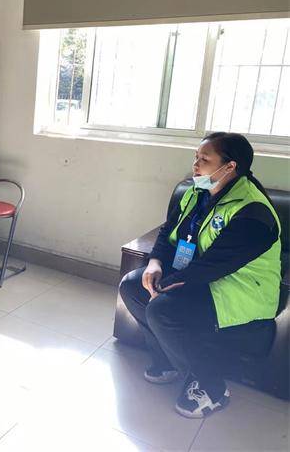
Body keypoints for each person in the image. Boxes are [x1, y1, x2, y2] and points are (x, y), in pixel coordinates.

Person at [119, 132, 281, 419]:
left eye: (204, 159)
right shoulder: (198, 190)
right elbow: (168, 230)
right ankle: (169, 361)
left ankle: (212, 387)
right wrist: (155, 264)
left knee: (162, 308)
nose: (195, 164)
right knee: (132, 286)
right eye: (195, 157)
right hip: (201, 276)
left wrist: (165, 287)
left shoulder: (253, 212)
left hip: (240, 290)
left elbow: (214, 266)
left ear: (230, 167)